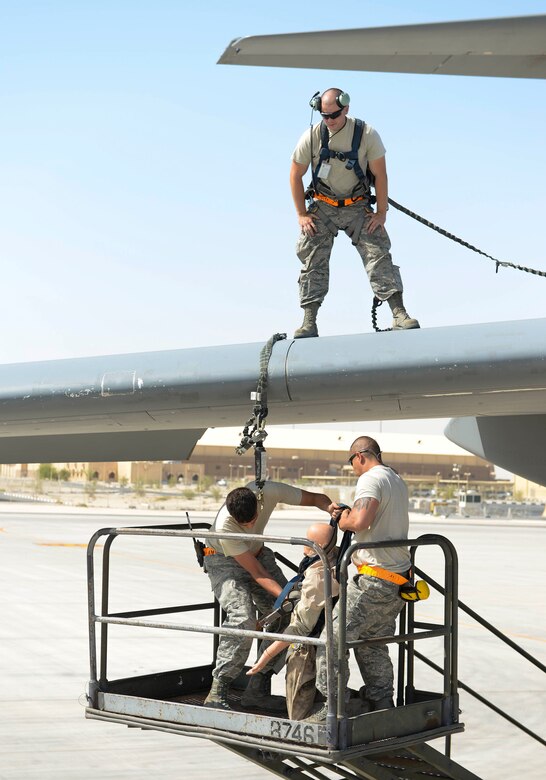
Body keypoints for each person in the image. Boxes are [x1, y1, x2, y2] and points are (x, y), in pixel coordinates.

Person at [290, 87, 419, 338]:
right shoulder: (312, 136)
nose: (328, 121)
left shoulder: (366, 134)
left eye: (333, 116)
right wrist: (301, 214)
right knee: (311, 260)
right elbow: (295, 175)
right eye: (323, 116)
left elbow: (380, 175)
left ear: (345, 109)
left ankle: (398, 313)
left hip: (357, 207)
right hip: (323, 206)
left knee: (379, 253)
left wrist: (381, 214)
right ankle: (309, 321)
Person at [203, 481, 335, 711]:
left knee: (286, 615)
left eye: (254, 519)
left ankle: (257, 686)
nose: (251, 525)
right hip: (222, 559)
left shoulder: (268, 492)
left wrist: (330, 507)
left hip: (256, 551)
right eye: (244, 524)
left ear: (259, 503)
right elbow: (257, 573)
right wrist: (286, 596)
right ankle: (218, 689)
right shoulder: (226, 525)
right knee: (242, 617)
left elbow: (315, 498)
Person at [310, 436, 411, 720]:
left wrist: (343, 519)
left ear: (360, 456)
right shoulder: (396, 479)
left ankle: (333, 708)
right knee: (372, 641)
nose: (353, 468)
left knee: (332, 639)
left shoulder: (369, 479)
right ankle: (382, 704)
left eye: (351, 462)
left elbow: (360, 522)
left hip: (373, 579)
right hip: (396, 578)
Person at [246, 522, 339, 720]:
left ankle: (354, 706)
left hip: (306, 647)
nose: (304, 545)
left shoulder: (317, 577)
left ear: (319, 547)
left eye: (309, 541)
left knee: (297, 715)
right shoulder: (333, 557)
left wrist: (266, 656)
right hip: (318, 638)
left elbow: (300, 628)